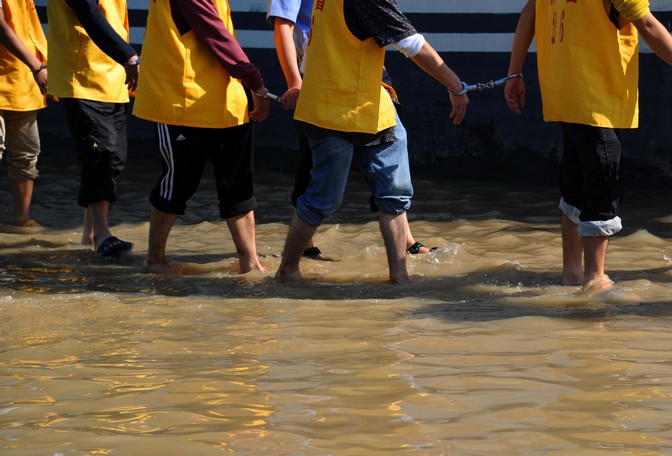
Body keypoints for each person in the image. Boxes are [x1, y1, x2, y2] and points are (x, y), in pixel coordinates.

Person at [505, 0, 672, 296]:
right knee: (604, 181)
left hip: (562, 91)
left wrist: (515, 72)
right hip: (596, 94)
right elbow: (648, 24)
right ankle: (595, 278)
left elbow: (529, 12)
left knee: (576, 180)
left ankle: (571, 272)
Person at [274, 0, 467, 284]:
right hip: (335, 109)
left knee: (395, 195)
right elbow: (411, 44)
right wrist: (456, 85)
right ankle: (288, 270)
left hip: (370, 103)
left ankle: (399, 276)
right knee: (323, 199)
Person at [133, 0, 271, 274]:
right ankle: (155, 259)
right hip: (184, 103)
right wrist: (255, 82)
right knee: (178, 184)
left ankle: (251, 263)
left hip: (225, 100)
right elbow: (215, 33)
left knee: (237, 184)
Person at [47, 0, 139, 258]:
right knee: (99, 154)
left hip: (112, 77)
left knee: (115, 158)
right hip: (82, 74)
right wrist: (129, 55)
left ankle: (89, 234)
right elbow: (89, 14)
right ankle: (101, 234)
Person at [0, 0, 46, 228]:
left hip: (22, 83)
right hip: (26, 70)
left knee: (26, 154)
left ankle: (22, 220)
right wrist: (36, 65)